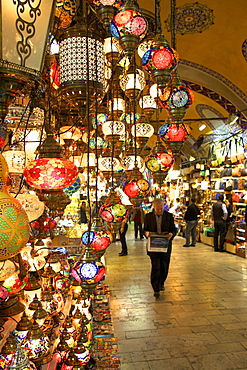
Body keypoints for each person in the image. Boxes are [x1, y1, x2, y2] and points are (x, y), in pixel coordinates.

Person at [143, 198, 176, 298]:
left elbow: (174, 229)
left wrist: (171, 234)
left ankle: (161, 282)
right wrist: (146, 233)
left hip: (165, 246)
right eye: (157, 209)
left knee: (164, 266)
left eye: (161, 209)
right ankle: (156, 288)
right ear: (154, 208)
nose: (159, 211)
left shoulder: (169, 216)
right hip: (153, 246)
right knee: (156, 266)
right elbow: (144, 229)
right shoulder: (148, 217)